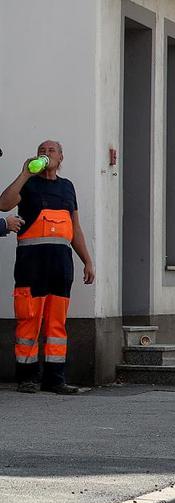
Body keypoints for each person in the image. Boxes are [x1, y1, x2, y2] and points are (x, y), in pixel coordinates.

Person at [0, 140, 95, 393]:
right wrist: (23, 174)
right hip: (31, 264)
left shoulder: (67, 187)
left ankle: (55, 379)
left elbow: (75, 228)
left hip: (60, 265)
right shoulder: (28, 183)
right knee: (29, 318)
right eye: (41, 150)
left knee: (56, 323)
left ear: (61, 157)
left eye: (51, 150)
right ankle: (27, 377)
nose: (45, 153)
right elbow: (4, 204)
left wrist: (87, 260)